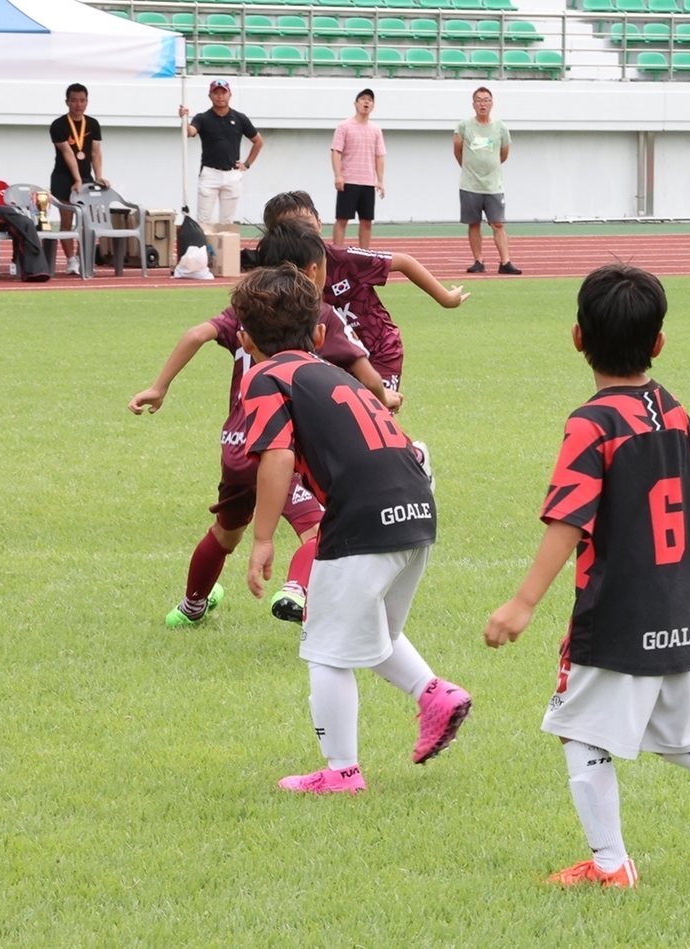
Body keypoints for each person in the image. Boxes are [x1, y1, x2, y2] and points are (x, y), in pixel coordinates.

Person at [483, 263, 690, 888]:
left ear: (577, 338)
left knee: (579, 731)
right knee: (686, 737)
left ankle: (610, 867)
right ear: (659, 344)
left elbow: (568, 517)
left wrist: (522, 602)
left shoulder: (593, 422)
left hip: (617, 610)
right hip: (672, 604)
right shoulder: (674, 411)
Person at [238, 263, 471, 795]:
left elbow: (275, 455)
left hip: (363, 515)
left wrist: (263, 537)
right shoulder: (339, 375)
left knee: (325, 646)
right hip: (418, 504)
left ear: (246, 339)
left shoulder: (266, 375)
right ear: (320, 335)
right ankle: (433, 693)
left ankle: (340, 771)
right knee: (375, 631)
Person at [128, 222, 398, 628]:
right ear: (311, 273)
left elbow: (195, 333)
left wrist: (158, 386)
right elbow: (366, 374)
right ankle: (295, 590)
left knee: (224, 533)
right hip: (281, 446)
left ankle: (192, 605)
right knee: (321, 530)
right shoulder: (318, 316)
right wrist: (385, 398)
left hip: (236, 446)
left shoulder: (245, 310)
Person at [263, 191, 470, 393]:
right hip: (331, 355)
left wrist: (447, 298)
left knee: (377, 415)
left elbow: (404, 261)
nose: (302, 232)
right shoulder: (275, 275)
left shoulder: (345, 259)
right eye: (292, 228)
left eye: (307, 224)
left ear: (319, 222)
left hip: (379, 349)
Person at [454, 87, 521, 275]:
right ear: (473, 104)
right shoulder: (464, 126)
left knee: (498, 223)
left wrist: (490, 165)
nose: (482, 103)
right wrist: (470, 168)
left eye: (486, 100)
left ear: (492, 103)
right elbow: (457, 151)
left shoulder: (500, 127)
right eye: (479, 100)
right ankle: (478, 261)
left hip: (493, 185)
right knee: (473, 223)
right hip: (470, 185)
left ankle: (505, 262)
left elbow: (504, 153)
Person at [178, 80, 263, 226]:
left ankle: (224, 249)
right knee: (203, 220)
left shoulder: (239, 118)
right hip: (210, 173)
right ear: (209, 96)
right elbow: (190, 132)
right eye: (215, 93)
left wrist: (247, 164)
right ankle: (203, 248)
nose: (220, 96)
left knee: (227, 222)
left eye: (223, 93)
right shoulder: (203, 118)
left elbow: (258, 141)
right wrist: (184, 119)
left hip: (232, 174)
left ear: (230, 95)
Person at [50, 82, 108, 275]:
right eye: (74, 100)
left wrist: (98, 177)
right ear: (67, 102)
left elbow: (96, 152)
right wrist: (76, 179)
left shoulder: (92, 124)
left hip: (86, 177)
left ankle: (82, 255)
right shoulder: (58, 125)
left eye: (82, 100)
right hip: (63, 178)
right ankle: (70, 260)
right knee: (66, 221)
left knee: (86, 222)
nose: (78, 104)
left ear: (87, 102)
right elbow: (68, 154)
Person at [330, 88, 386, 249]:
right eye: (362, 99)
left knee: (367, 221)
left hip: (367, 182)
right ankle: (338, 254)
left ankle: (364, 255)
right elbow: (336, 151)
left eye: (370, 100)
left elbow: (379, 155)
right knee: (342, 219)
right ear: (355, 103)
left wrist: (380, 180)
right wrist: (338, 175)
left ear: (373, 106)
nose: (366, 102)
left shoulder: (376, 129)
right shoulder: (344, 126)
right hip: (349, 180)